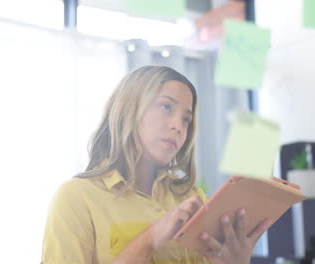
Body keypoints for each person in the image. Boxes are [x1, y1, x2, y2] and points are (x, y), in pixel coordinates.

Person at [41, 66, 272, 264]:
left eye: (186, 119)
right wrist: (150, 238)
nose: (178, 126)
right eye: (166, 107)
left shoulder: (191, 198)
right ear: (127, 108)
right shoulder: (76, 197)